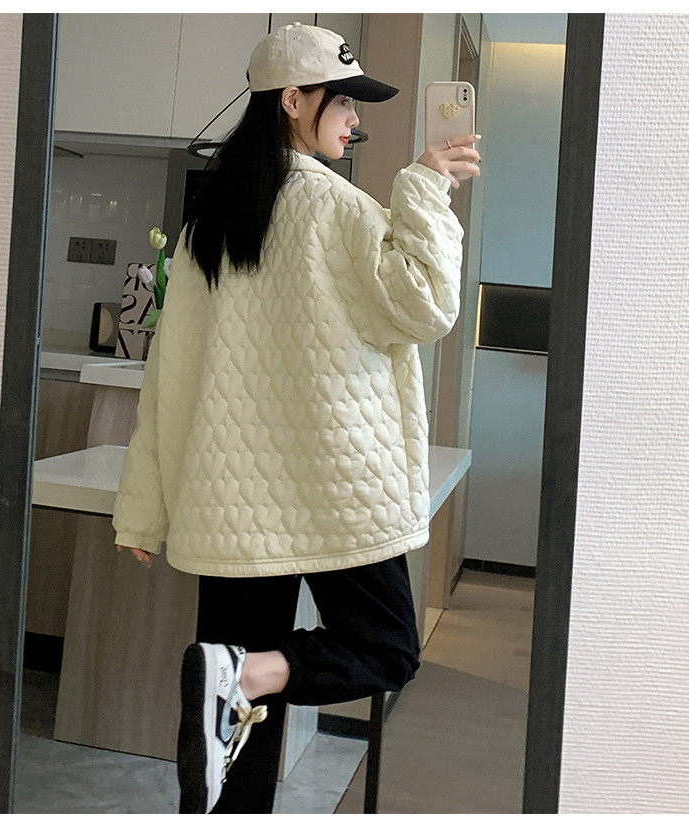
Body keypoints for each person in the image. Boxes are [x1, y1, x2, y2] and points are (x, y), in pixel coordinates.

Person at [113, 21, 480, 815]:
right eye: (341, 101)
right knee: (386, 645)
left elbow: (171, 378)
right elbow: (427, 306)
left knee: (229, 739)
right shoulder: (335, 207)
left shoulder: (211, 222)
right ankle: (253, 672)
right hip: (331, 485)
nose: (354, 118)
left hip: (233, 501)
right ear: (291, 99)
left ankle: (243, 679)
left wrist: (145, 508)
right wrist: (424, 185)